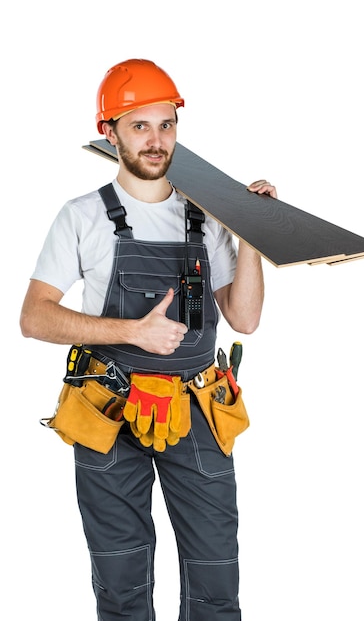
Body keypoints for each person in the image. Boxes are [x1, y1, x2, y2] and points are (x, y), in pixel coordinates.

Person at [20, 58, 277, 621]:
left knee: (215, 579)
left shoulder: (207, 219)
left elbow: (245, 318)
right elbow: (34, 317)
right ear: (109, 132)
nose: (157, 140)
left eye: (167, 125)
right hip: (109, 409)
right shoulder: (82, 217)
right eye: (140, 125)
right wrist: (132, 332)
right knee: (121, 581)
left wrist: (251, 232)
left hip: (197, 409)